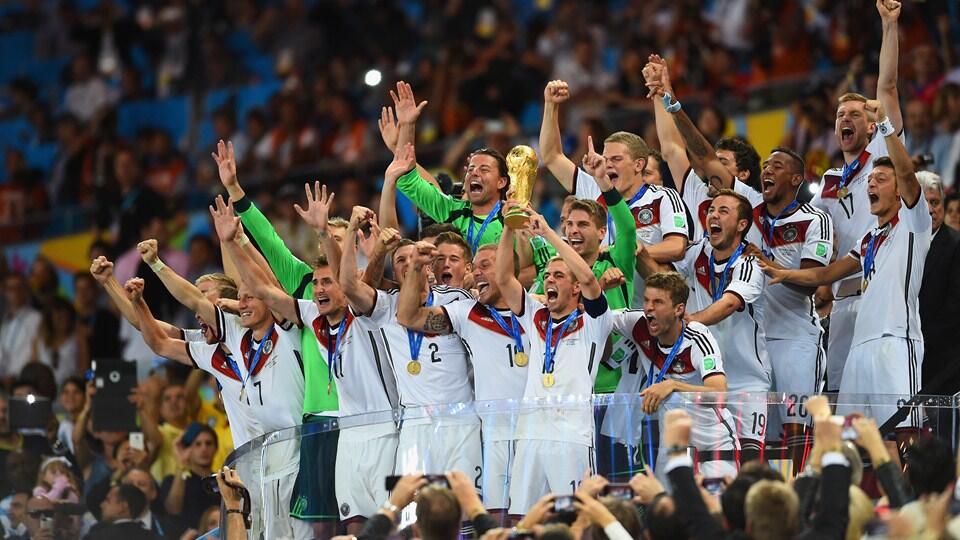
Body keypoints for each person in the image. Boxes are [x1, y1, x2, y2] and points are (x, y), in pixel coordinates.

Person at [215, 183, 399, 534]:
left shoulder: (368, 305)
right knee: (336, 526)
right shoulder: (312, 312)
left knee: (384, 525)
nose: (319, 288)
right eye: (316, 283)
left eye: (327, 281)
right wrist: (234, 242)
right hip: (329, 426)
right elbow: (265, 283)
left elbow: (351, 283)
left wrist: (328, 231)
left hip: (376, 426)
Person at [762, 101, 927, 439]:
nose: (871, 185)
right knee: (849, 441)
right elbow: (827, 274)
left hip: (895, 340)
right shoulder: (869, 238)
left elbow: (908, 173)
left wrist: (884, 122)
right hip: (858, 346)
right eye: (871, 180)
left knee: (903, 435)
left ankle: (912, 479)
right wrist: (783, 272)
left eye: (882, 180)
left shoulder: (914, 224)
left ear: (900, 189)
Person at [214, 140, 340, 532]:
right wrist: (235, 193)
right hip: (315, 418)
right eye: (327, 240)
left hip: (362, 415)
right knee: (320, 526)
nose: (331, 247)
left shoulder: (367, 295)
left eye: (338, 240)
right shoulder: (305, 290)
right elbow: (269, 245)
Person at [337, 204, 481, 479]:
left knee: (465, 503)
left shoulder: (456, 298)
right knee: (410, 505)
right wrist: (352, 230)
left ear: (428, 265)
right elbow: (349, 287)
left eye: (413, 257)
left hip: (461, 422)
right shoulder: (385, 306)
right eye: (400, 260)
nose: (407, 263)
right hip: (415, 425)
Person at [809, 0, 905, 392]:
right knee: (840, 400)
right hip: (842, 301)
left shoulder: (882, 154)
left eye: (854, 114)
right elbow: (816, 236)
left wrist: (889, 25)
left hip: (880, 297)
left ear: (870, 127)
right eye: (839, 116)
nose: (845, 119)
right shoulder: (829, 181)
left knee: (884, 401)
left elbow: (888, 86)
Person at [494, 203, 613, 514]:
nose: (549, 281)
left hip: (572, 436)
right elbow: (504, 278)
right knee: (522, 519)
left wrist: (547, 233)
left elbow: (590, 281)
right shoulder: (535, 315)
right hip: (530, 433)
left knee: (576, 517)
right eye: (547, 275)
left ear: (574, 287)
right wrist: (508, 226)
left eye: (559, 276)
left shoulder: (594, 321)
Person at [396, 240, 530, 515]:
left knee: (536, 515)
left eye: (485, 265)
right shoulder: (467, 313)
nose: (476, 272)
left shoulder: (538, 311)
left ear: (507, 269)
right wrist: (417, 266)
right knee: (494, 519)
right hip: (494, 435)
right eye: (475, 266)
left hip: (535, 431)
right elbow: (408, 317)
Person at [638, 189, 771, 459]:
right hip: (702, 380)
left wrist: (686, 321)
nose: (713, 215)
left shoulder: (750, 263)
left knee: (748, 463)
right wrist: (639, 254)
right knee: (695, 462)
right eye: (711, 210)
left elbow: (729, 303)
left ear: (742, 224)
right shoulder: (699, 250)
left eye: (723, 211)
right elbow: (665, 282)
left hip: (745, 382)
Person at [540, 80, 691, 307]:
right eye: (606, 159)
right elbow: (552, 156)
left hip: (648, 309)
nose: (608, 164)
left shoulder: (662, 197)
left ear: (639, 164)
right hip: (606, 308)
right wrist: (550, 106)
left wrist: (622, 251)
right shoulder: (593, 188)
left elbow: (677, 247)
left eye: (616, 159)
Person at [744, 148, 833, 470]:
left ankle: (803, 490)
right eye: (766, 165)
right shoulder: (748, 212)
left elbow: (811, 281)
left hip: (796, 339)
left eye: (777, 166)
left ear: (796, 179)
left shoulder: (815, 219)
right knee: (759, 435)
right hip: (753, 342)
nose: (767, 169)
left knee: (797, 432)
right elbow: (705, 162)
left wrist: (767, 264)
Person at [607, 272, 735, 479]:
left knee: (717, 499)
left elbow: (720, 393)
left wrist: (674, 386)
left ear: (679, 309)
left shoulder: (697, 337)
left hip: (711, 442)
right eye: (647, 300)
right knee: (665, 498)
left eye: (658, 302)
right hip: (673, 443)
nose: (649, 308)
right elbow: (596, 316)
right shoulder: (638, 323)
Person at [917, 172, 960, 437]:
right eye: (925, 202)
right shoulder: (901, 242)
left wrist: (918, 337)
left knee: (941, 439)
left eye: (936, 203)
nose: (932, 209)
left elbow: (955, 308)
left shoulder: (956, 244)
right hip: (909, 359)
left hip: (943, 364)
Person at [157, 423, 220, 538]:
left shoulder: (222, 481)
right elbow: (173, 509)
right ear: (187, 448)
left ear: (216, 448)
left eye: (208, 443)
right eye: (197, 444)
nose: (204, 448)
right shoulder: (173, 480)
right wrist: (182, 465)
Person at [0, 274, 42, 383]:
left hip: (22, 380)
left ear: (26, 291)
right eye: (10, 289)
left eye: (19, 288)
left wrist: (20, 376)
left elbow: (36, 353)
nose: (15, 293)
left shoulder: (36, 318)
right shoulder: (4, 319)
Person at [85, 484, 160, 540]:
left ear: (123, 506)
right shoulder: (156, 538)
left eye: (107, 500)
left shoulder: (97, 537)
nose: (102, 505)